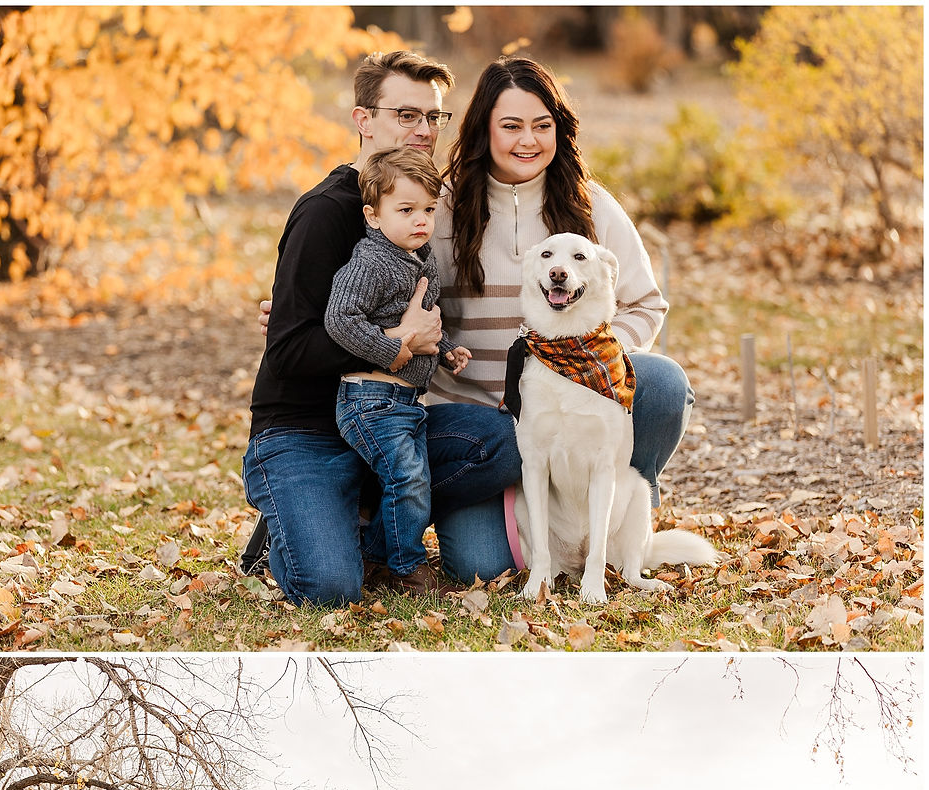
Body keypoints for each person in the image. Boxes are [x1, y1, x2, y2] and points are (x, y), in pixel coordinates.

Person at [253, 52, 692, 594]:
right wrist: (305, 315)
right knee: (480, 566)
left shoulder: (591, 205)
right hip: (474, 420)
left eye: (542, 125)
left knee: (661, 382)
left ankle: (620, 524)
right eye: (510, 126)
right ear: (484, 129)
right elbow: (381, 280)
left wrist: (590, 354)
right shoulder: (435, 207)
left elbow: (645, 303)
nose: (527, 140)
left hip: (573, 402)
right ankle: (328, 517)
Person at [244, 49, 521, 605]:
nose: (423, 130)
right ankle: (297, 524)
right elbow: (288, 350)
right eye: (406, 115)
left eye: (433, 117)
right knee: (329, 587)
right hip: (305, 431)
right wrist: (396, 344)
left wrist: (438, 346)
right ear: (363, 119)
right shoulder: (327, 212)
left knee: (501, 442)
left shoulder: (421, 206)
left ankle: (372, 519)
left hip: (388, 418)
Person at [325, 146, 471, 593]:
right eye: (406, 210)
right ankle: (408, 569)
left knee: (412, 481)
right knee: (407, 480)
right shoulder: (371, 262)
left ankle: (374, 560)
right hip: (369, 400)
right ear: (373, 216)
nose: (420, 220)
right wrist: (394, 350)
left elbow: (421, 321)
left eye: (428, 209)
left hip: (405, 401)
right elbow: (340, 319)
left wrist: (446, 349)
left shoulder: (420, 258)